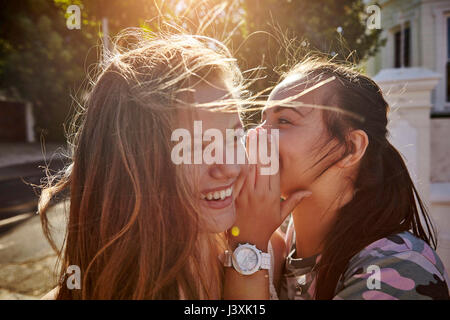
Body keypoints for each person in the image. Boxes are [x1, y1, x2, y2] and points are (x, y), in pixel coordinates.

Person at [39, 30, 248, 299]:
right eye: (195, 146)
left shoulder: (260, 250)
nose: (230, 167)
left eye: (234, 136)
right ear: (130, 167)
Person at [224, 58, 450, 300]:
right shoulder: (278, 244)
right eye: (262, 120)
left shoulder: (397, 269)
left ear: (351, 147)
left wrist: (249, 249)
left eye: (284, 121)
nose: (255, 135)